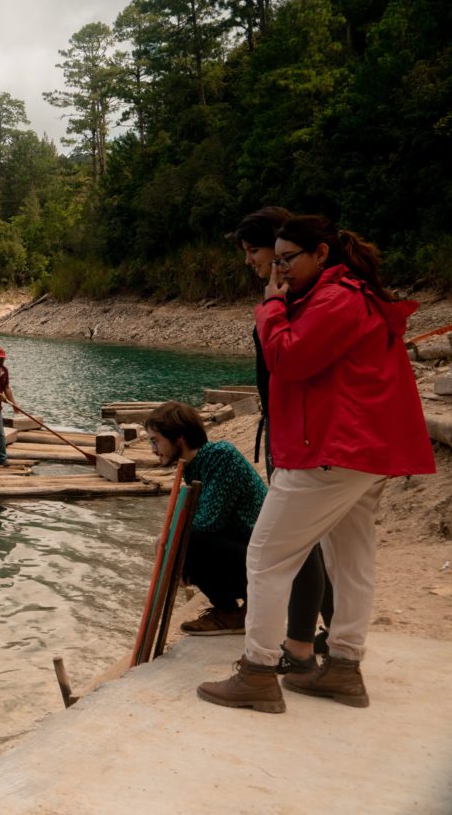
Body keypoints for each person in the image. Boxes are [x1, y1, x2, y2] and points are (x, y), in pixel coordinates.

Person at [198, 216, 435, 713]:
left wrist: (271, 305)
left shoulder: (336, 299)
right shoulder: (352, 294)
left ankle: (258, 672)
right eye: (276, 260)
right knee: (351, 560)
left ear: (322, 253)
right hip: (359, 450)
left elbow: (287, 358)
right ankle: (344, 668)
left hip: (331, 449)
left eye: (287, 259)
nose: (278, 270)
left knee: (265, 557)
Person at [231, 207, 334, 672]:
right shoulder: (297, 297)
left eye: (254, 252)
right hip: (292, 428)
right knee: (317, 542)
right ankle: (328, 635)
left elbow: (287, 363)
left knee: (288, 546)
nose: (250, 261)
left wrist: (272, 305)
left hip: (296, 432)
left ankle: (294, 650)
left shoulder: (294, 301)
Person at [144, 402, 267, 635]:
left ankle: (229, 612)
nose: (153, 448)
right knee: (184, 539)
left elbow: (208, 523)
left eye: (155, 440)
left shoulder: (220, 455)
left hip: (263, 557)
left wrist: (173, 549)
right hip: (247, 552)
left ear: (178, 438)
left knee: (189, 538)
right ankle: (231, 610)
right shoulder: (195, 465)